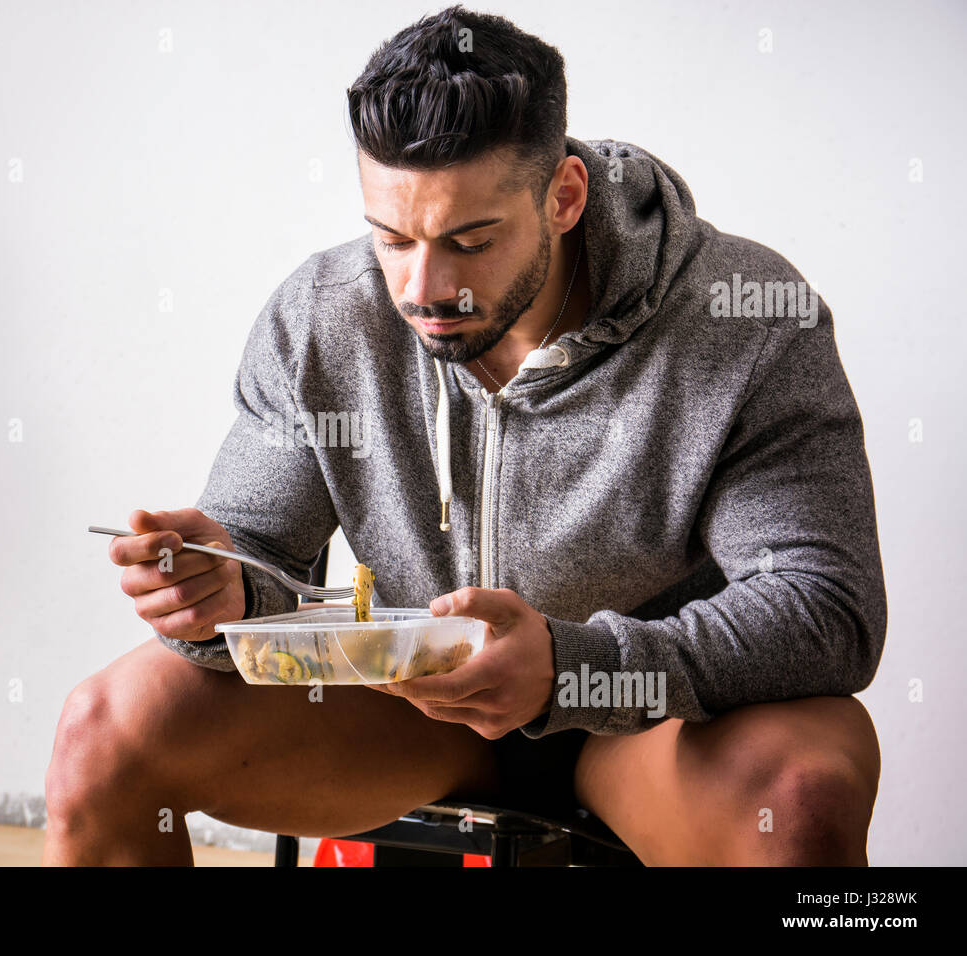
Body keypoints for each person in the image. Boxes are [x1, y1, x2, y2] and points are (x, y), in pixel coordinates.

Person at [43, 5, 884, 866]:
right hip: (410, 713)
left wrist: (568, 666)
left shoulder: (742, 319)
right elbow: (256, 557)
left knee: (804, 795)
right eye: (392, 238)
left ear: (563, 197)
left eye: (471, 240)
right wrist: (223, 595)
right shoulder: (326, 317)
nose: (424, 288)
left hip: (648, 721)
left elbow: (827, 609)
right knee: (101, 734)